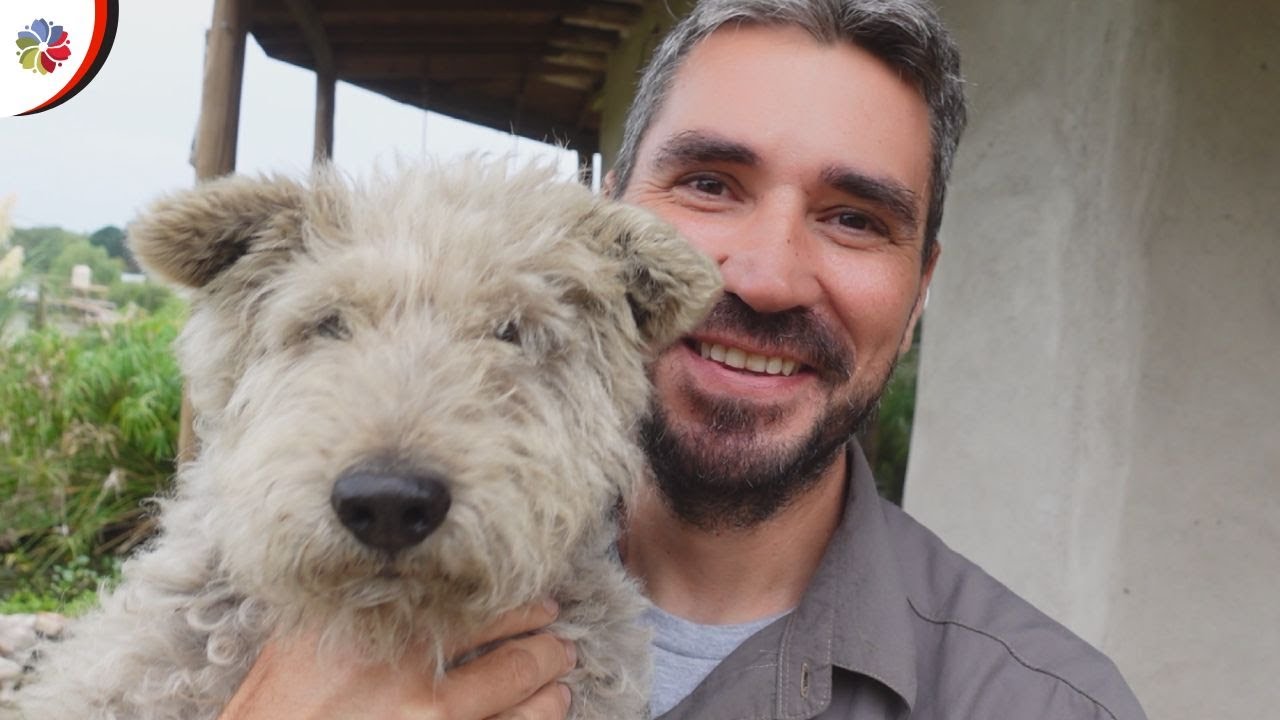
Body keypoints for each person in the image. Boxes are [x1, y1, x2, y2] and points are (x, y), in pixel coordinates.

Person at [222, 1, 1148, 718]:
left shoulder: (1043, 703)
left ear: (920, 291)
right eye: (710, 184)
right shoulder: (288, 577)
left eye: (854, 219)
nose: (768, 275)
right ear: (605, 221)